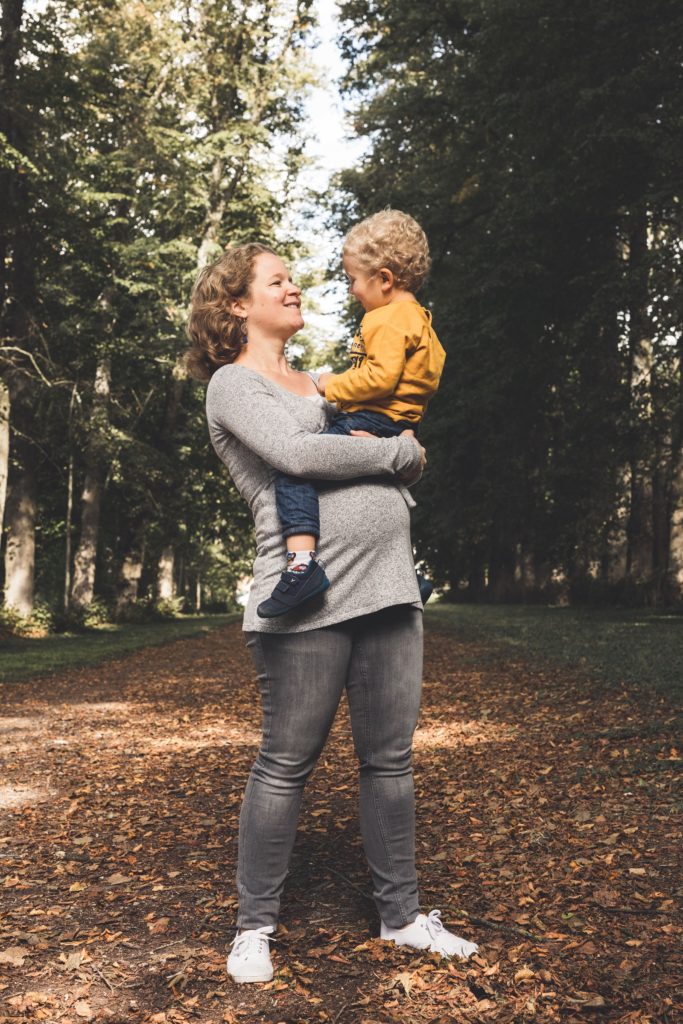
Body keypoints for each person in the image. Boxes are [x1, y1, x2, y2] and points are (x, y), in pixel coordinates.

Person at [186, 242, 478, 985]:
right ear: (235, 305)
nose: (293, 287)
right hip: (305, 592)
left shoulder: (321, 382)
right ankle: (254, 928)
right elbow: (299, 454)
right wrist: (393, 456)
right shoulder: (232, 385)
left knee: (389, 759)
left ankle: (402, 916)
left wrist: (395, 445)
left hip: (387, 584)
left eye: (292, 277)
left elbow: (388, 434)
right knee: (286, 762)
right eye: (275, 280)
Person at [259, 210, 446, 619]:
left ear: (384, 279)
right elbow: (423, 383)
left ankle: (302, 566)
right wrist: (405, 431)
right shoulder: (420, 321)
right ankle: (404, 574)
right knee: (362, 487)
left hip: (371, 418)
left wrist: (333, 385)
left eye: (353, 280)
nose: (351, 291)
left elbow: (379, 379)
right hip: (396, 424)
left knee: (294, 469)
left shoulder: (388, 318)